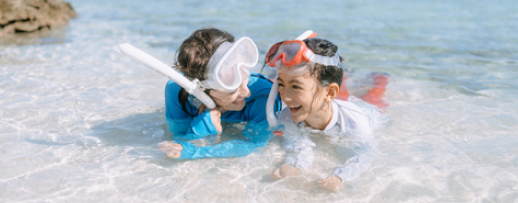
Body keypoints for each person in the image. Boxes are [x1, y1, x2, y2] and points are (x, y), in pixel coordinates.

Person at [265, 37, 379, 192]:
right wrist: (295, 166)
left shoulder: (354, 120)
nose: (285, 96)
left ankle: (380, 78)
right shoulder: (287, 115)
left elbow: (366, 154)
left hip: (368, 112)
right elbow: (298, 144)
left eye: (296, 86)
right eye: (281, 85)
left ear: (330, 92)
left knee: (375, 95)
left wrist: (341, 176)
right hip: (326, 104)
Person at [159, 28, 281, 160]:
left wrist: (196, 152)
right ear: (202, 90)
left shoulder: (263, 97)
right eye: (233, 90)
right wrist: (201, 128)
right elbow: (176, 139)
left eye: (245, 75)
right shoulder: (176, 90)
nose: (247, 93)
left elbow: (256, 144)